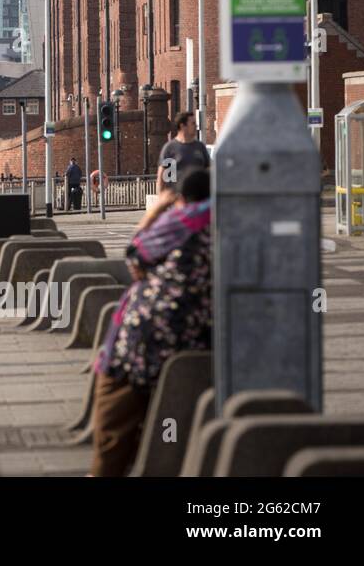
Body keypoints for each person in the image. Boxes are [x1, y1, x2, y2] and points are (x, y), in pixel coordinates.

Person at [89, 168, 213, 476]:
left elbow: (134, 256)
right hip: (202, 344)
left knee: (112, 428)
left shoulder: (189, 218)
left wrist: (157, 208)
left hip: (145, 343)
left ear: (182, 199)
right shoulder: (234, 220)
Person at [157, 110, 212, 192]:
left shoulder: (200, 147)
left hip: (198, 198)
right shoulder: (170, 149)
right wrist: (162, 198)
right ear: (183, 126)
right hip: (178, 199)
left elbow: (209, 170)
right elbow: (163, 178)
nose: (196, 126)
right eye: (193, 123)